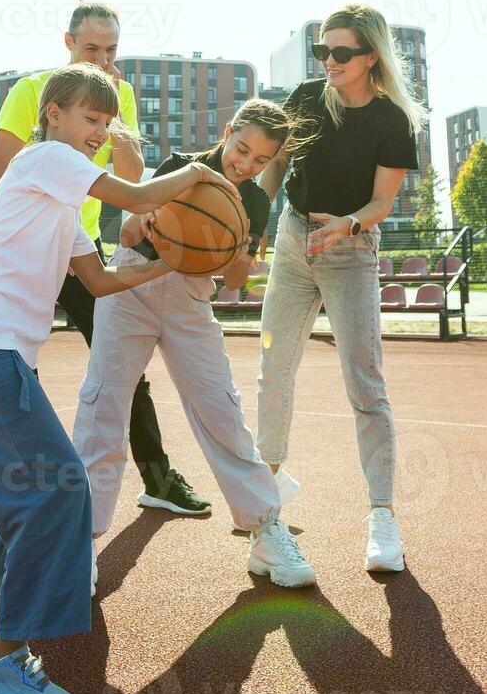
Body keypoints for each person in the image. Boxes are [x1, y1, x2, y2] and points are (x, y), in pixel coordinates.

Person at [0, 2, 209, 595]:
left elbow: (129, 185)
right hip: (16, 270)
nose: (103, 59)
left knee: (121, 365)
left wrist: (163, 259)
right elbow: (6, 183)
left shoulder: (108, 108)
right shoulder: (33, 96)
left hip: (75, 245)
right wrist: (202, 174)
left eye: (112, 51)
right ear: (69, 42)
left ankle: (155, 475)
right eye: (93, 48)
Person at [0, 63, 242, 694]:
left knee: (23, 475)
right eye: (90, 120)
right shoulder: (45, 160)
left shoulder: (61, 200)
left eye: (106, 124)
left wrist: (172, 262)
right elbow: (135, 198)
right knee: (63, 487)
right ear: (53, 117)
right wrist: (196, 172)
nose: (99, 133)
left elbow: (99, 282)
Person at [54, 98, 317, 590]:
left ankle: (265, 529)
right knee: (103, 406)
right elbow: (130, 229)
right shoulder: (183, 169)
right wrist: (150, 223)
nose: (246, 164)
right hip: (133, 284)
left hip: (190, 298)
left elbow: (236, 280)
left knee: (221, 408)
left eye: (261, 160)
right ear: (227, 130)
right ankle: (78, 543)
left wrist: (237, 249)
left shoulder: (256, 202)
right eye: (242, 149)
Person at [254, 3, 422, 572]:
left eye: (341, 52)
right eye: (323, 50)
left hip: (350, 247)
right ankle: (265, 494)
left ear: (371, 56)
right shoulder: (305, 97)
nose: (329, 60)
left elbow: (381, 203)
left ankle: (382, 517)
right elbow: (274, 164)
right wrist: (256, 217)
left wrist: (349, 224)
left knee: (365, 382)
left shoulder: (391, 120)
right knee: (274, 367)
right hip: (294, 238)